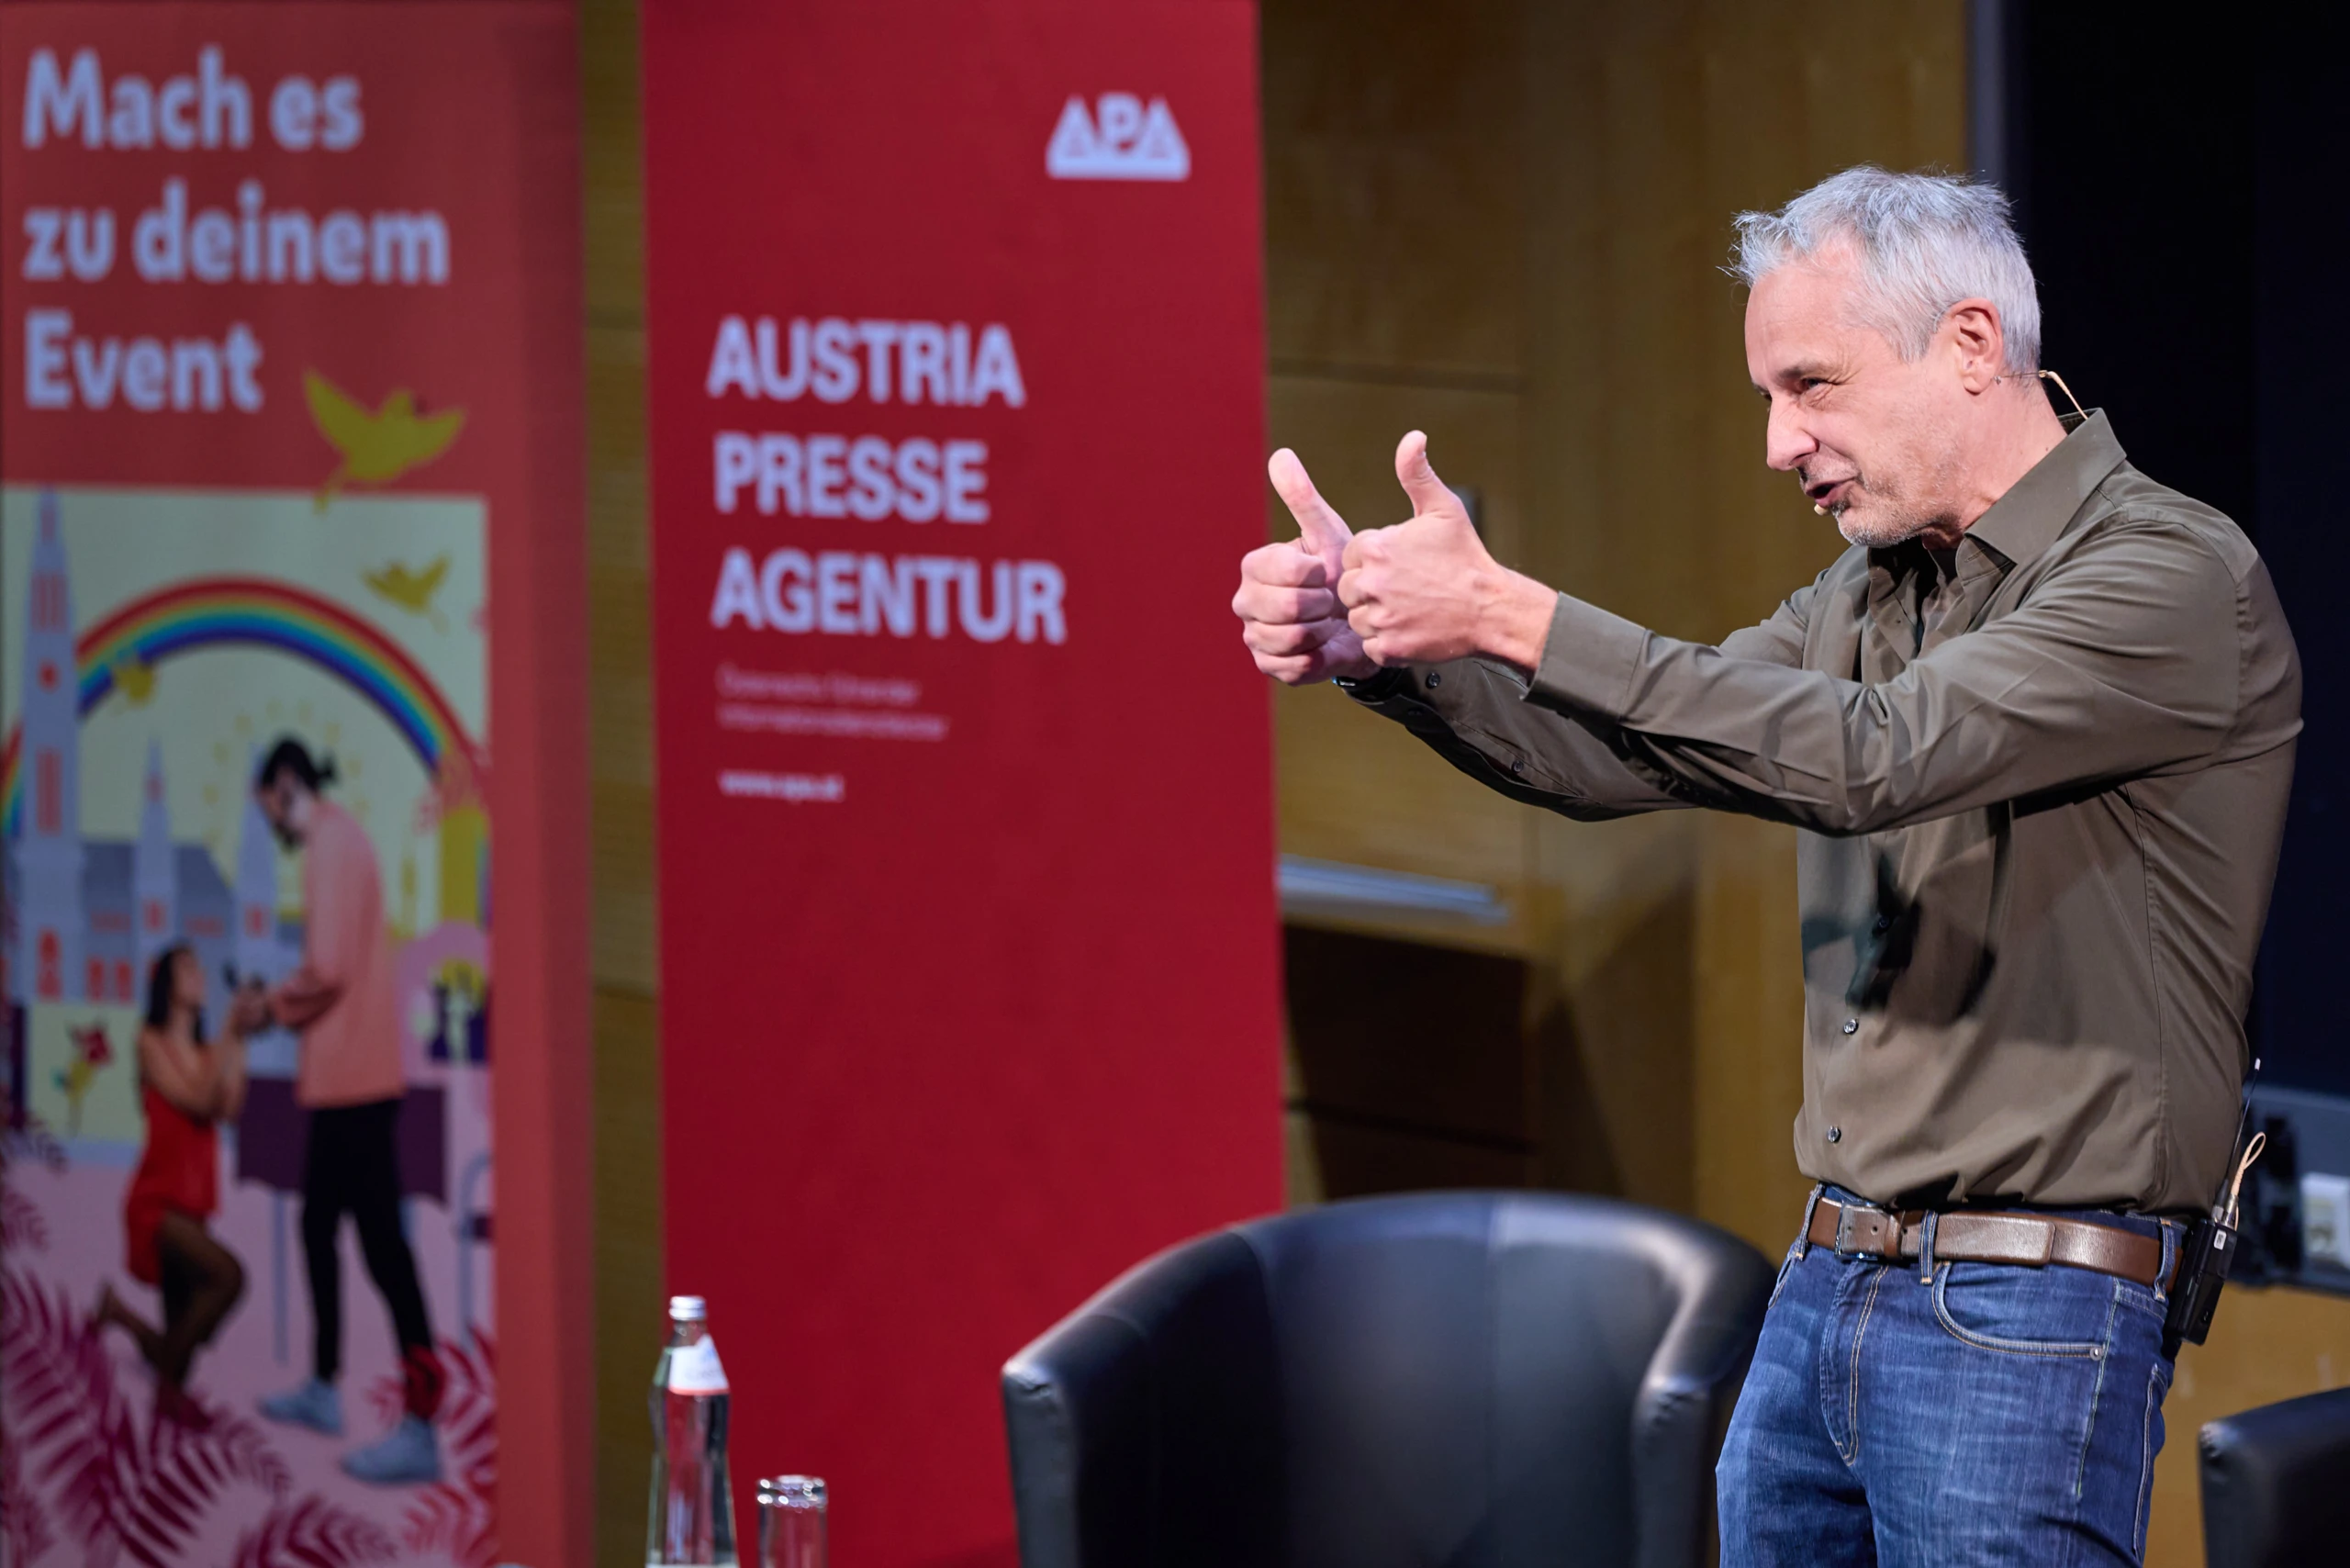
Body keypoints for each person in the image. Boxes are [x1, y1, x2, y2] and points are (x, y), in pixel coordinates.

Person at [1232, 166, 2300, 1565]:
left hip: (2028, 1311)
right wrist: (1395, 658)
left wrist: (1512, 609)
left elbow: (1877, 754)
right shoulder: (1870, 589)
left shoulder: (2169, 576)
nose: (1781, 442)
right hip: (1830, 1276)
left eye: (1812, 386)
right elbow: (1623, 756)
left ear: (1970, 345)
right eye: (1768, 396)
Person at [250, 737, 444, 1485]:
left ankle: (420, 1427)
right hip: (347, 1083)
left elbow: (327, 967)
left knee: (382, 1251)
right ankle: (326, 1386)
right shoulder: (342, 840)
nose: (272, 820)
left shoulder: (330, 845)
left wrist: (269, 1007)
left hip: (355, 1084)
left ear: (285, 785)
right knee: (321, 1229)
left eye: (269, 805)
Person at [96, 943, 257, 1429]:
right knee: (229, 1278)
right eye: (188, 967)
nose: (199, 975)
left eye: (199, 967)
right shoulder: (149, 1043)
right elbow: (198, 1100)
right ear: (167, 981)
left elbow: (230, 1108)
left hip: (194, 1206)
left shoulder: (210, 1052)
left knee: (182, 1340)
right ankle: (164, 1391)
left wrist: (240, 1039)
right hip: (157, 1204)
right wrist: (228, 1034)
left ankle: (119, 1315)